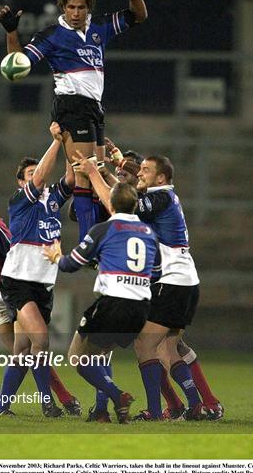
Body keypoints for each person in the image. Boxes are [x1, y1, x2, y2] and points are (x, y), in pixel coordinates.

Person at [0, 0, 147, 241]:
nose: (76, 12)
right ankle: (87, 243)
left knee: (97, 171)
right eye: (70, 7)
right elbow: (19, 63)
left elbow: (139, 16)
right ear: (63, 7)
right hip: (71, 106)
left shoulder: (99, 26)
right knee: (85, 174)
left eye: (81, 7)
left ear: (88, 8)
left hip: (94, 108)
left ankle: (93, 226)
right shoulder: (52, 35)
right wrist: (11, 32)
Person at [72, 151, 220, 421]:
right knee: (167, 348)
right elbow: (128, 199)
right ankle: (194, 406)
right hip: (183, 281)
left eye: (146, 170)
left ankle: (155, 411)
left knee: (144, 345)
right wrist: (105, 172)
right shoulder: (162, 197)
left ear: (161, 177)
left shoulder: (161, 197)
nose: (139, 173)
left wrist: (93, 173)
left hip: (171, 282)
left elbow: (120, 210)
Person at [44, 182, 158, 424]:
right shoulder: (149, 233)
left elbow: (70, 264)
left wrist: (55, 256)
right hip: (140, 307)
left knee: (77, 357)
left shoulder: (104, 229)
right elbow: (156, 270)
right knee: (100, 355)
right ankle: (103, 410)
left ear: (111, 204)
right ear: (135, 204)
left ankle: (118, 396)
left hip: (114, 302)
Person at [0, 122, 80, 418]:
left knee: (22, 349)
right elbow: (45, 173)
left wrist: (69, 142)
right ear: (21, 182)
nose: (36, 176)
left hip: (43, 284)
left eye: (36, 172)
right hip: (17, 281)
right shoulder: (20, 201)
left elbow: (70, 177)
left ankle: (1, 406)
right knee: (42, 340)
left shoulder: (52, 200)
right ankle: (48, 402)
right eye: (29, 175)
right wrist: (56, 141)